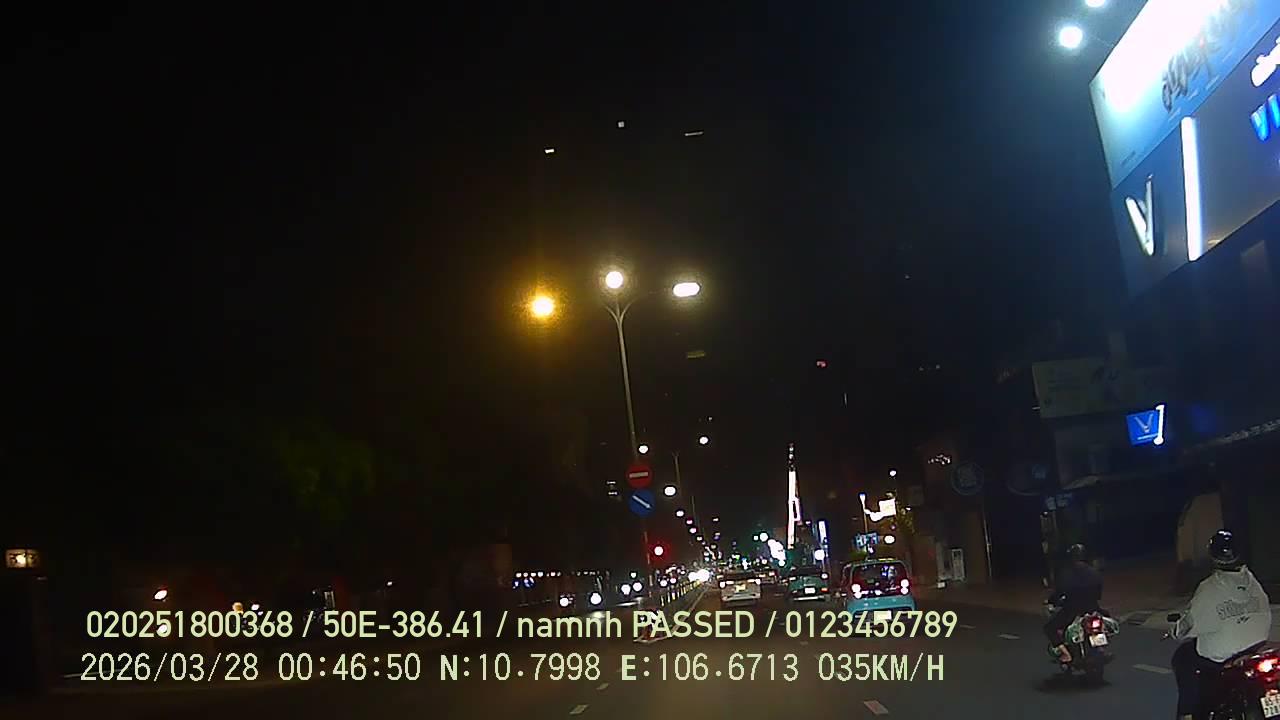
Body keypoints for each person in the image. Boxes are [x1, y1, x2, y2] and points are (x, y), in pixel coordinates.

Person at [1170, 529, 1272, 720]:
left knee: (1183, 658)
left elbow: (1193, 623)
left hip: (1226, 653)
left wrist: (1177, 631)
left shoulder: (1210, 588)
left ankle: (1188, 714)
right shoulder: (1251, 580)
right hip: (1256, 644)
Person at [1043, 543, 1103, 663]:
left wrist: (1051, 600)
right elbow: (1099, 593)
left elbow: (1060, 591)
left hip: (1072, 610)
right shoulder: (1093, 572)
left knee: (1049, 628)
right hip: (1093, 608)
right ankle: (1099, 646)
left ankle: (1066, 655)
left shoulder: (1067, 573)